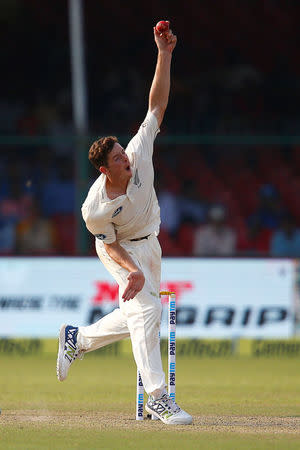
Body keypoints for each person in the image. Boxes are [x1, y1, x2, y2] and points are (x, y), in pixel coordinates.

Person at [56, 24, 192, 425]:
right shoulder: (94, 207)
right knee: (147, 311)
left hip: (151, 243)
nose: (126, 161)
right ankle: (157, 397)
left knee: (137, 315)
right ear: (104, 170)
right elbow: (108, 243)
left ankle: (76, 339)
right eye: (117, 159)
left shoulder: (138, 151)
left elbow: (155, 107)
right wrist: (130, 271)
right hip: (119, 247)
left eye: (123, 153)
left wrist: (164, 54)